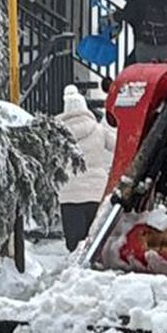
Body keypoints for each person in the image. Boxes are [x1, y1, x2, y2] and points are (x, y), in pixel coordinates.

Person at [55, 81, 113, 250]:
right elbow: (119, 146)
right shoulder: (99, 130)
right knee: (94, 242)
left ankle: (75, 263)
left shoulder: (58, 135)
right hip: (96, 192)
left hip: (69, 194)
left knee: (74, 245)